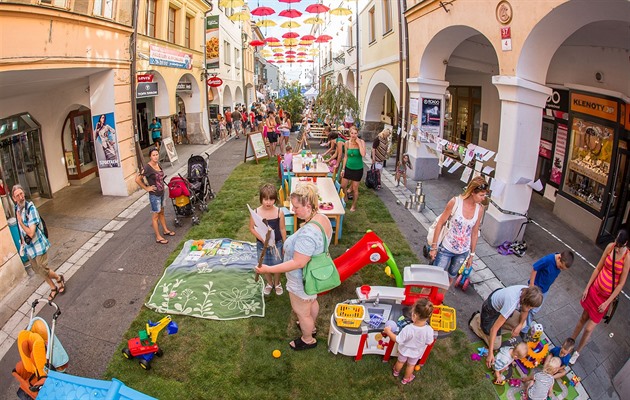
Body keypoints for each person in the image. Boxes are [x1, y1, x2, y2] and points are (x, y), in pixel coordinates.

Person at [255, 183, 332, 351]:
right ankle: (310, 327)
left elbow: (298, 263)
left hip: (301, 279)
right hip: (314, 275)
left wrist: (267, 269)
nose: (293, 210)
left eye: (296, 207)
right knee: (311, 301)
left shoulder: (309, 234)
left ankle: (307, 338)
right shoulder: (322, 218)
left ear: (308, 205)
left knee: (302, 311)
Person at [569, 229, 629, 364]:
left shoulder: (627, 258)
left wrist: (607, 302)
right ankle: (570, 341)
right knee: (583, 317)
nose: (617, 247)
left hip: (604, 298)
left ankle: (577, 352)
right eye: (616, 243)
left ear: (625, 243)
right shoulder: (610, 247)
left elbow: (620, 285)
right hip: (595, 290)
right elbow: (598, 268)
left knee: (589, 328)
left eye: (619, 245)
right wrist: (587, 287)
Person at [468, 285, 543, 369]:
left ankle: (497, 326)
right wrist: (490, 353)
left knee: (523, 324)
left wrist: (520, 325)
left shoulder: (527, 292)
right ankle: (476, 321)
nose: (530, 309)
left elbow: (525, 311)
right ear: (525, 301)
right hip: (490, 311)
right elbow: (494, 329)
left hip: (501, 310)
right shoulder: (512, 302)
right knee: (495, 345)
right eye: (530, 307)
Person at [12, 185, 66, 301]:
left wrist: (21, 222)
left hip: (37, 244)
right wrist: (22, 242)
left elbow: (31, 233)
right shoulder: (16, 208)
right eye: (18, 195)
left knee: (43, 268)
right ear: (13, 198)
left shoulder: (30, 208)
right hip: (28, 247)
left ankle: (58, 278)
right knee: (37, 269)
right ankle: (53, 287)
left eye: (22, 194)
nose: (21, 197)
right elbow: (21, 231)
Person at [430, 176, 487, 283]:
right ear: (472, 192)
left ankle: (440, 299)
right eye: (481, 195)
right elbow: (440, 223)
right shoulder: (455, 202)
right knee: (435, 278)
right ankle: (426, 299)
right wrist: (434, 247)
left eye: (485, 195)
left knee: (451, 277)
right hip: (446, 248)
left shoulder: (480, 209)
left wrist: (472, 255)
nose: (483, 198)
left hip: (463, 252)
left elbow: (474, 233)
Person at [382, 298, 435, 385]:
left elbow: (397, 339)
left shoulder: (408, 328)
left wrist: (388, 332)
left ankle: (396, 372)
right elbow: (429, 342)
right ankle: (406, 379)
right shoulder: (429, 330)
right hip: (416, 352)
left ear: (414, 316)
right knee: (411, 365)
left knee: (400, 362)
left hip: (404, 350)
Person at [522, 251, 574, 337]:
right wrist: (531, 285)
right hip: (535, 288)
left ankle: (525, 328)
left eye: (562, 269)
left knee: (534, 310)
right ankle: (521, 324)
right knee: (526, 306)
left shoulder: (559, 264)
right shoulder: (548, 260)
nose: (560, 269)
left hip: (544, 291)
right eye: (560, 266)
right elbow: (535, 268)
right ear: (559, 258)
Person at [249, 183, 286, 296]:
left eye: (271, 199)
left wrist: (285, 244)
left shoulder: (279, 212)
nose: (268, 202)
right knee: (264, 264)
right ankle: (269, 283)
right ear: (261, 199)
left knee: (277, 264)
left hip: (277, 244)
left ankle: (277, 282)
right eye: (265, 199)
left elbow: (283, 229)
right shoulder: (256, 212)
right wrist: (262, 239)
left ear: (275, 199)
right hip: (262, 244)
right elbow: (251, 228)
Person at [135, 148, 175, 245]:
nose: (156, 156)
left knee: (161, 212)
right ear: (150, 156)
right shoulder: (147, 167)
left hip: (161, 193)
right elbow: (137, 179)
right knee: (155, 216)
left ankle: (165, 230)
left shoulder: (158, 164)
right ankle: (158, 237)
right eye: (153, 155)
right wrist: (147, 188)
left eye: (157, 154)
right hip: (154, 195)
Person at [340, 126, 365, 212]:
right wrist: (343, 169)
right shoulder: (347, 143)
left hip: (358, 169)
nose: (353, 135)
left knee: (355, 189)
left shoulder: (361, 142)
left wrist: (359, 143)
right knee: (343, 186)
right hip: (348, 167)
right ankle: (346, 197)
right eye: (352, 133)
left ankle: (354, 205)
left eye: (355, 133)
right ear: (349, 133)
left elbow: (363, 154)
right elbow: (346, 157)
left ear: (357, 134)